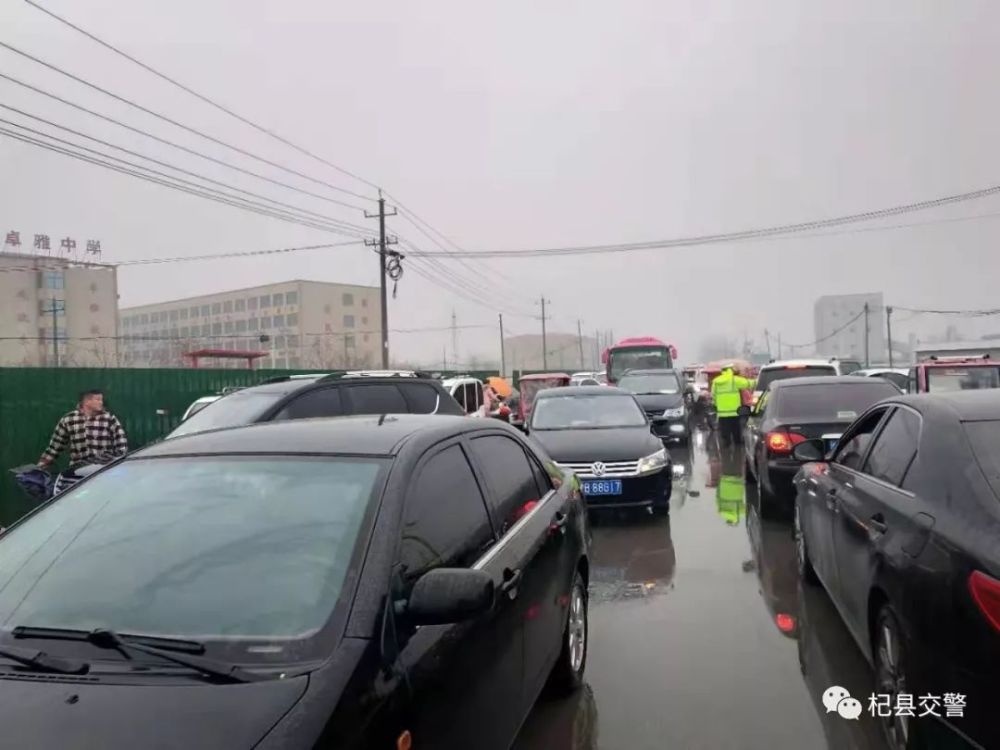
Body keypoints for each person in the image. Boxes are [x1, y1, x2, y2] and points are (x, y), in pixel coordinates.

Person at [38, 389, 128, 469]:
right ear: (87, 401)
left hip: (103, 469)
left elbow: (121, 444)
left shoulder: (109, 418)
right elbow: (55, 446)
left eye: (101, 400)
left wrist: (118, 464)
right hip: (78, 470)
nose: (101, 402)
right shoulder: (69, 419)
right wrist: (40, 466)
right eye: (98, 399)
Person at [711, 364, 755, 449]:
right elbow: (748, 383)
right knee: (736, 434)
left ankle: (726, 453)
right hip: (735, 413)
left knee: (725, 436)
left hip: (722, 414)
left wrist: (718, 406)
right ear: (730, 370)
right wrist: (757, 381)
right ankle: (738, 453)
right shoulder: (734, 380)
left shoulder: (716, 381)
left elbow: (713, 396)